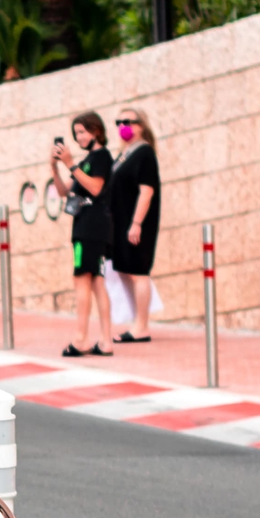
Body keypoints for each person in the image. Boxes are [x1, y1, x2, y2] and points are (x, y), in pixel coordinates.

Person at [50, 112, 114, 357]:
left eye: (82, 132)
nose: (79, 138)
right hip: (90, 226)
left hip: (90, 227)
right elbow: (65, 191)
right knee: (97, 282)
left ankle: (81, 338)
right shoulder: (89, 160)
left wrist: (70, 164)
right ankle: (106, 340)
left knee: (82, 281)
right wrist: (55, 166)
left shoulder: (101, 157)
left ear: (96, 131)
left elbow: (96, 188)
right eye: (76, 133)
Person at [101, 106, 162, 342]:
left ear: (141, 125)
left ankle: (142, 326)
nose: (122, 126)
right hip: (120, 224)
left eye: (128, 121)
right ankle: (136, 321)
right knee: (125, 271)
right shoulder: (124, 154)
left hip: (136, 224)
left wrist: (136, 223)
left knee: (138, 272)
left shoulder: (144, 153)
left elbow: (146, 191)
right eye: (118, 122)